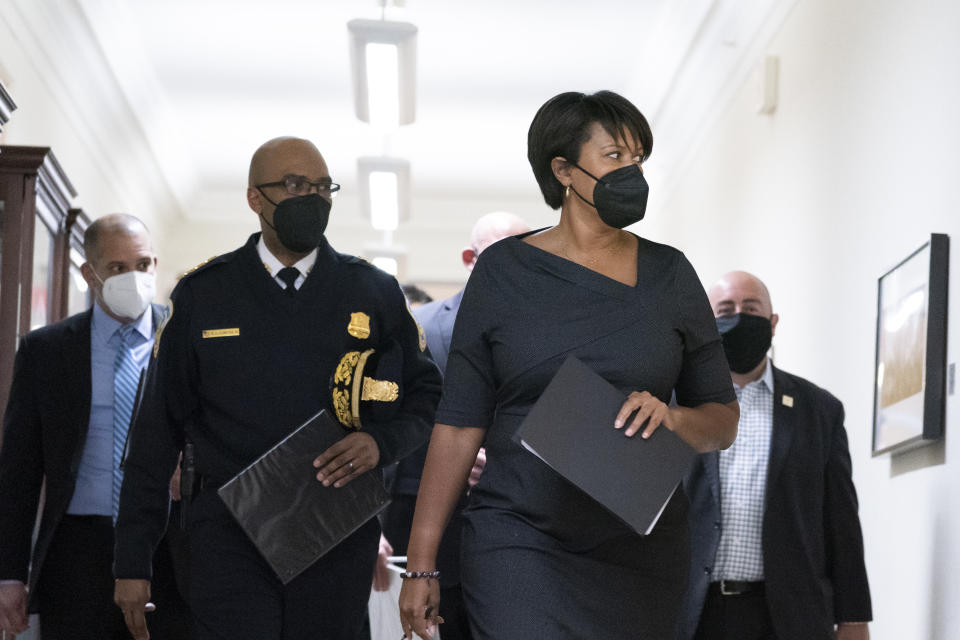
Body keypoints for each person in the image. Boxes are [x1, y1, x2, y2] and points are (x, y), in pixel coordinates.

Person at [398, 91, 739, 640]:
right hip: (519, 534)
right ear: (563, 170)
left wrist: (674, 420)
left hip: (638, 546)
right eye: (614, 158)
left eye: (639, 160)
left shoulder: (671, 275)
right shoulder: (502, 273)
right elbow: (459, 422)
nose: (633, 172)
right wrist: (421, 563)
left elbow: (722, 418)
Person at [112, 136, 442, 640]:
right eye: (293, 185)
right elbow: (157, 431)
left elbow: (425, 396)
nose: (311, 198)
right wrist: (132, 559)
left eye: (322, 187)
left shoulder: (373, 292)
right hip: (226, 535)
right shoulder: (205, 294)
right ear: (255, 198)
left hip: (334, 529)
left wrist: (382, 443)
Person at [0, 214, 192, 639]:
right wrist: (9, 575)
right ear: (90, 273)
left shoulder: (185, 340)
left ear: (155, 265)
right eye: (117, 268)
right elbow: (18, 471)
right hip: (78, 552)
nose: (134, 278)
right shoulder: (46, 352)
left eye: (142, 265)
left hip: (168, 549)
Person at [678, 270, 872, 640]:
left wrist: (854, 617)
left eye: (750, 308)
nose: (738, 316)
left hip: (789, 617)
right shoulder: (675, 403)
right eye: (726, 309)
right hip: (692, 616)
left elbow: (841, 522)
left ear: (773, 322)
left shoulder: (819, 411)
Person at [383, 212, 530, 640]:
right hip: (431, 535)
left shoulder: (552, 335)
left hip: (522, 539)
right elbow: (394, 421)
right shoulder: (420, 327)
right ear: (470, 258)